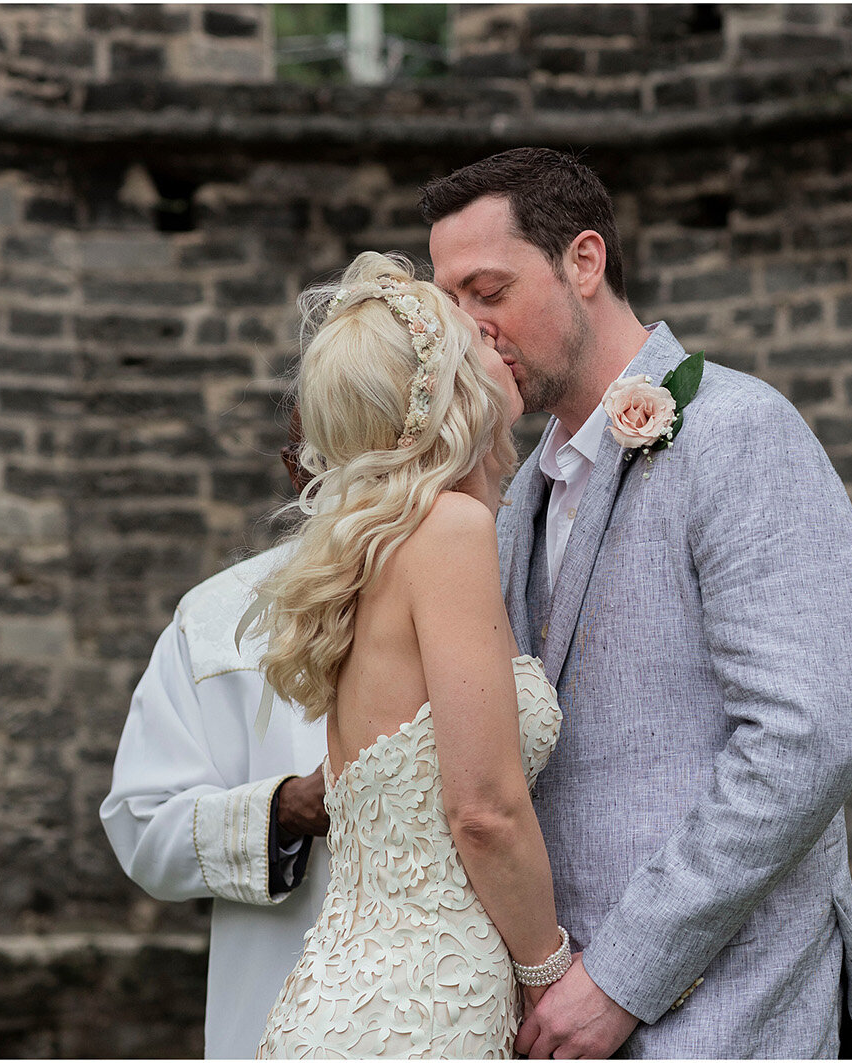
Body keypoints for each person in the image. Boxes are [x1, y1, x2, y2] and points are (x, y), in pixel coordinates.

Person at [421, 147, 852, 1058]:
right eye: (448, 303)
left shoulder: (740, 432)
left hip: (726, 1013)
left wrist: (623, 975)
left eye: (487, 291)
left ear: (584, 261)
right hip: (551, 1012)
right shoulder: (516, 493)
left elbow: (806, 736)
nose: (466, 329)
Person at [254, 251, 565, 1057]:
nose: (499, 345)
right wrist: (547, 969)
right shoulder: (449, 533)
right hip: (426, 1004)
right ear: (449, 391)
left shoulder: (365, 552)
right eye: (478, 343)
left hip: (339, 995)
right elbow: (484, 807)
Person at [100, 417, 334, 1058]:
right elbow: (143, 822)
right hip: (282, 994)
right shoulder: (216, 619)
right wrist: (282, 810)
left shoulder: (498, 581)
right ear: (299, 470)